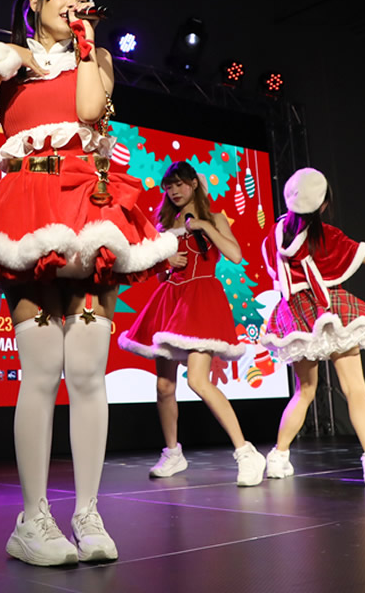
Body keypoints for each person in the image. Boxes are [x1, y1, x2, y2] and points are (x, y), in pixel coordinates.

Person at [0, 0, 177, 566]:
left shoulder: (94, 57)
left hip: (86, 204)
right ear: (35, 4)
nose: (75, 5)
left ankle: (87, 513)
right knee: (42, 369)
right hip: (28, 207)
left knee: (87, 371)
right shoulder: (10, 61)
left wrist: (85, 45)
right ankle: (32, 520)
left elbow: (88, 110)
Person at [118, 160, 267, 486]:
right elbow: (158, 273)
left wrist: (204, 227)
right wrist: (165, 261)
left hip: (201, 299)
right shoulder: (163, 225)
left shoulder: (214, 218)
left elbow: (235, 255)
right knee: (164, 386)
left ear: (194, 184)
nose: (174, 191)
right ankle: (173, 453)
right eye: (169, 186)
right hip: (171, 300)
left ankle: (246, 452)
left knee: (198, 381)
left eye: (180, 184)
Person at [258, 167, 365, 484]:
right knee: (355, 387)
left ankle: (279, 456)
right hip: (328, 310)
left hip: (295, 313)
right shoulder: (326, 236)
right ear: (323, 204)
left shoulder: (275, 234)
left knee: (305, 391)